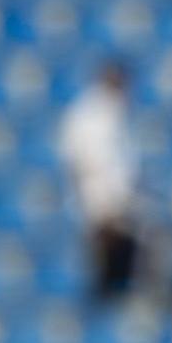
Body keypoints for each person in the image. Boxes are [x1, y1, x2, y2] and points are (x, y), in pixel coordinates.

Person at [59, 64, 139, 300]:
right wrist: (101, 203)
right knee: (105, 255)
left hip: (116, 201)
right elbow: (82, 163)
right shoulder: (87, 114)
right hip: (99, 200)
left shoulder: (115, 113)